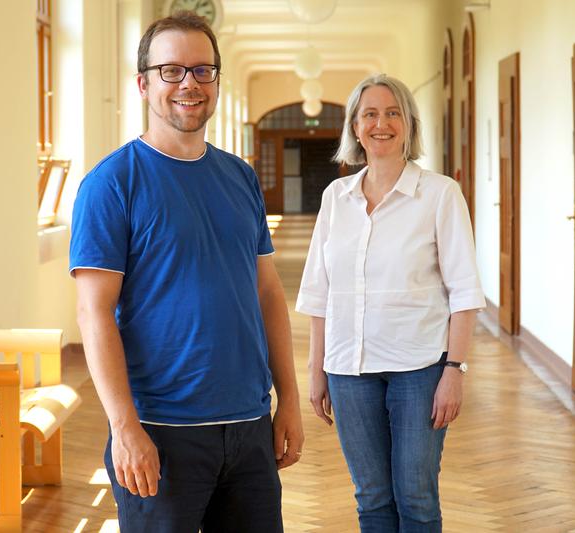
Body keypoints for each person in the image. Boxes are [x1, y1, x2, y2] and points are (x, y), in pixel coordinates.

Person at [69, 12, 303, 533]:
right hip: (161, 430)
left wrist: (287, 398)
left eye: (202, 70)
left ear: (216, 80)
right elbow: (93, 313)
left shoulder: (240, 177)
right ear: (143, 83)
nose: (189, 84)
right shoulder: (112, 184)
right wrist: (124, 427)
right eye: (172, 70)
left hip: (248, 427)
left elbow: (267, 294)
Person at [296, 73, 485, 533]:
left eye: (392, 112)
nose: (382, 124)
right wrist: (316, 369)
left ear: (408, 124)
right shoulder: (335, 199)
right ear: (355, 128)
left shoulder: (439, 194)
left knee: (417, 498)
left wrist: (454, 372)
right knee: (372, 499)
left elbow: (464, 292)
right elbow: (320, 292)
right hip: (348, 370)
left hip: (419, 369)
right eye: (370, 115)